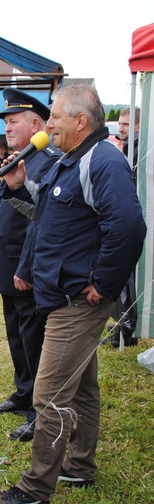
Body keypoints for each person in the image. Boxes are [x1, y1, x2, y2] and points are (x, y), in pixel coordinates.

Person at [0, 85, 146, 504]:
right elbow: (51, 216)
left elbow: (129, 226)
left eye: (55, 116)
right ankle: (79, 466)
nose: (48, 124)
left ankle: (34, 490)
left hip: (78, 300)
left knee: (49, 394)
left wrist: (104, 284)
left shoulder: (103, 160)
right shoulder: (72, 160)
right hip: (63, 295)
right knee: (83, 387)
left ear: (81, 121)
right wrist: (20, 188)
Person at [0, 88, 61, 442]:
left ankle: (37, 410)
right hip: (10, 261)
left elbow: (40, 222)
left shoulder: (47, 160)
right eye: (7, 122)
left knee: (33, 338)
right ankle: (24, 392)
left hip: (25, 265)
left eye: (14, 121)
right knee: (16, 332)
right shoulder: (24, 156)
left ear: (36, 125)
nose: (8, 127)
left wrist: (26, 267)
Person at [107, 107, 141, 347]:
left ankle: (127, 329)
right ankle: (126, 325)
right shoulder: (129, 147)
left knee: (129, 280)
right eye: (119, 123)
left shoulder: (136, 149)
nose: (120, 128)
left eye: (126, 124)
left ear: (138, 126)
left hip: (131, 221)